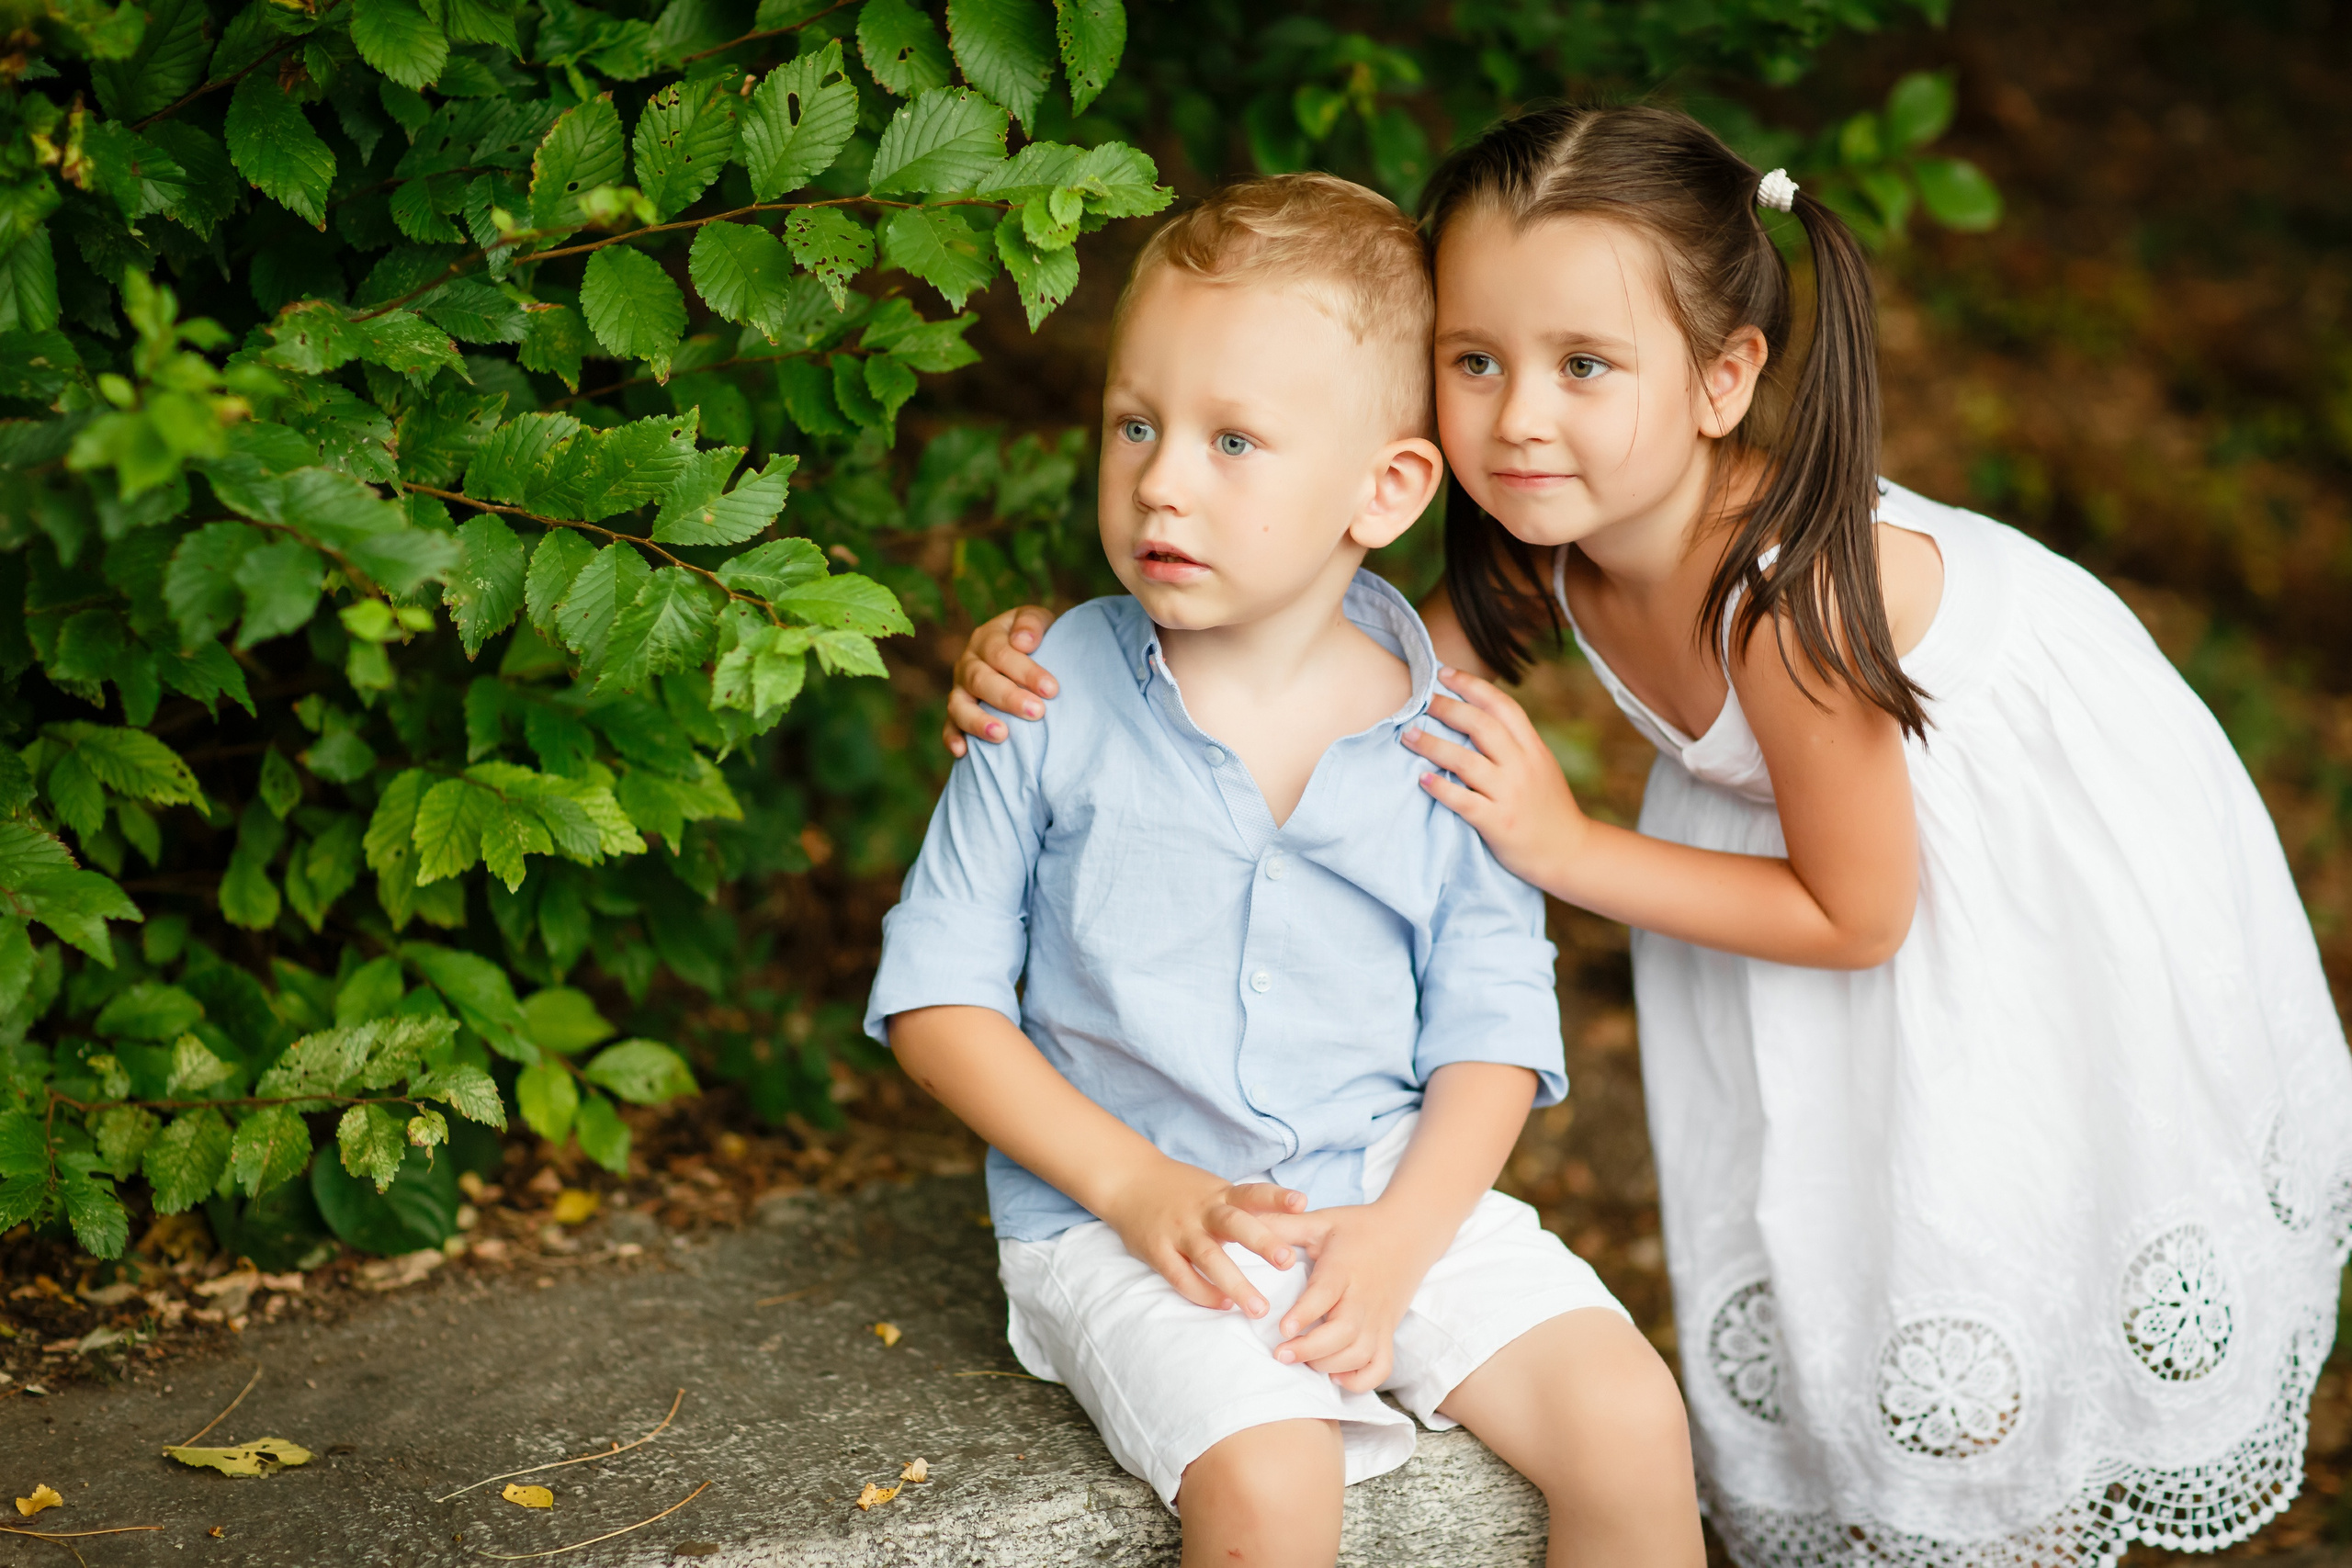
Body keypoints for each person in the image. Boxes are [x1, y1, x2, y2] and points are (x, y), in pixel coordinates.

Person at [941, 107, 2352, 1565]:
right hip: (1797, 869)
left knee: (1982, 1205)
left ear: (1724, 379)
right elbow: (1346, 689)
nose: (1519, 416)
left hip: (1992, 879)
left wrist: (1562, 847)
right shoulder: (1552, 540)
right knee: (1844, 1211)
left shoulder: (1795, 596)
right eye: (1474, 362)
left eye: (1584, 365)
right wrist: (1060, 674)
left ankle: (2022, 1520)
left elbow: (1861, 914)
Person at [865, 173, 1704, 1568]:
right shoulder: (1047, 694)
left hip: (1392, 1186)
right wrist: (1137, 1189)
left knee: (1629, 1420)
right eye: (1135, 423)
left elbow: (1490, 1035)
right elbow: (937, 1002)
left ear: (1384, 487)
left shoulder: (1450, 734)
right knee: (1272, 1480)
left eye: (1234, 440)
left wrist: (1396, 1239)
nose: (1162, 478)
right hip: (1124, 1218)